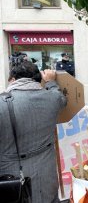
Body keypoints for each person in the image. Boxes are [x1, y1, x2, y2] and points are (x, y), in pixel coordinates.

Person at [0, 61, 67, 203]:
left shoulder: (2, 103)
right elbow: (62, 98)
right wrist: (50, 81)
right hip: (47, 174)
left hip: (12, 178)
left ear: (12, 79)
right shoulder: (53, 98)